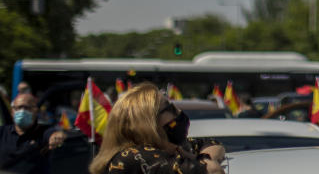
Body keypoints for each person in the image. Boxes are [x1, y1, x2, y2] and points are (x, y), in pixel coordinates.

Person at [88, 82, 225, 174]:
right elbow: (213, 170)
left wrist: (196, 157)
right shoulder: (133, 156)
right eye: (169, 108)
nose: (178, 111)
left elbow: (213, 144)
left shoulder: (168, 148)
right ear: (147, 123)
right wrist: (196, 158)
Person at [0, 93, 67, 174]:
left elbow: (54, 134)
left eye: (27, 108)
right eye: (19, 107)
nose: (22, 111)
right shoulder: (2, 132)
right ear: (12, 112)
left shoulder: (43, 131)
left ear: (36, 111)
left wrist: (57, 137)